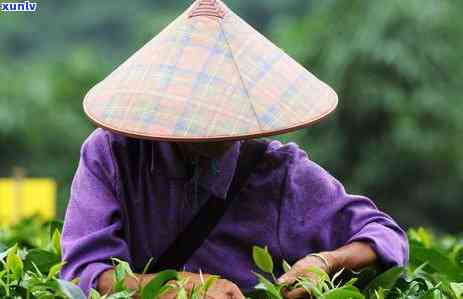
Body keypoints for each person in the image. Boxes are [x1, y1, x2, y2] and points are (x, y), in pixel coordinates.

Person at [61, 0, 408, 298]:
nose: (216, 129)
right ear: (170, 102)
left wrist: (325, 262)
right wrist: (180, 287)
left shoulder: (278, 171)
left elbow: (385, 235)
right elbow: (83, 274)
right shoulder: (112, 154)